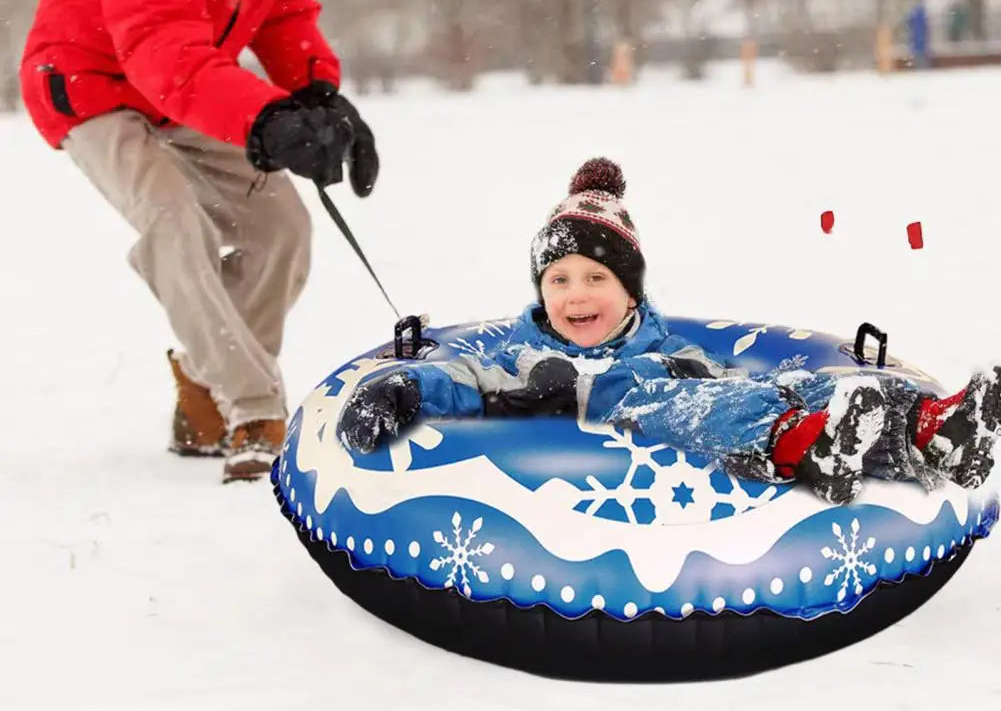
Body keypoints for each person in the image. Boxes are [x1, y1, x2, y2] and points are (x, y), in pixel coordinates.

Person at [19, 0, 379, 483]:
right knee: (172, 217)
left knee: (280, 225)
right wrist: (261, 118)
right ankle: (251, 407)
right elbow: (157, 42)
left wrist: (315, 91)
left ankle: (201, 381)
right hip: (90, 85)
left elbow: (283, 6)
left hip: (184, 82)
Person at [336, 158, 1001, 505]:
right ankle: (809, 436)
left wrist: (762, 388)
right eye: (559, 280)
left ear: (629, 290)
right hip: (630, 431)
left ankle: (925, 428)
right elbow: (455, 378)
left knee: (777, 383)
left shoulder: (659, 347)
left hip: (713, 407)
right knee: (665, 404)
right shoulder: (516, 357)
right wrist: (401, 389)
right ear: (540, 292)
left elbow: (730, 383)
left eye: (596, 278)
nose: (576, 296)